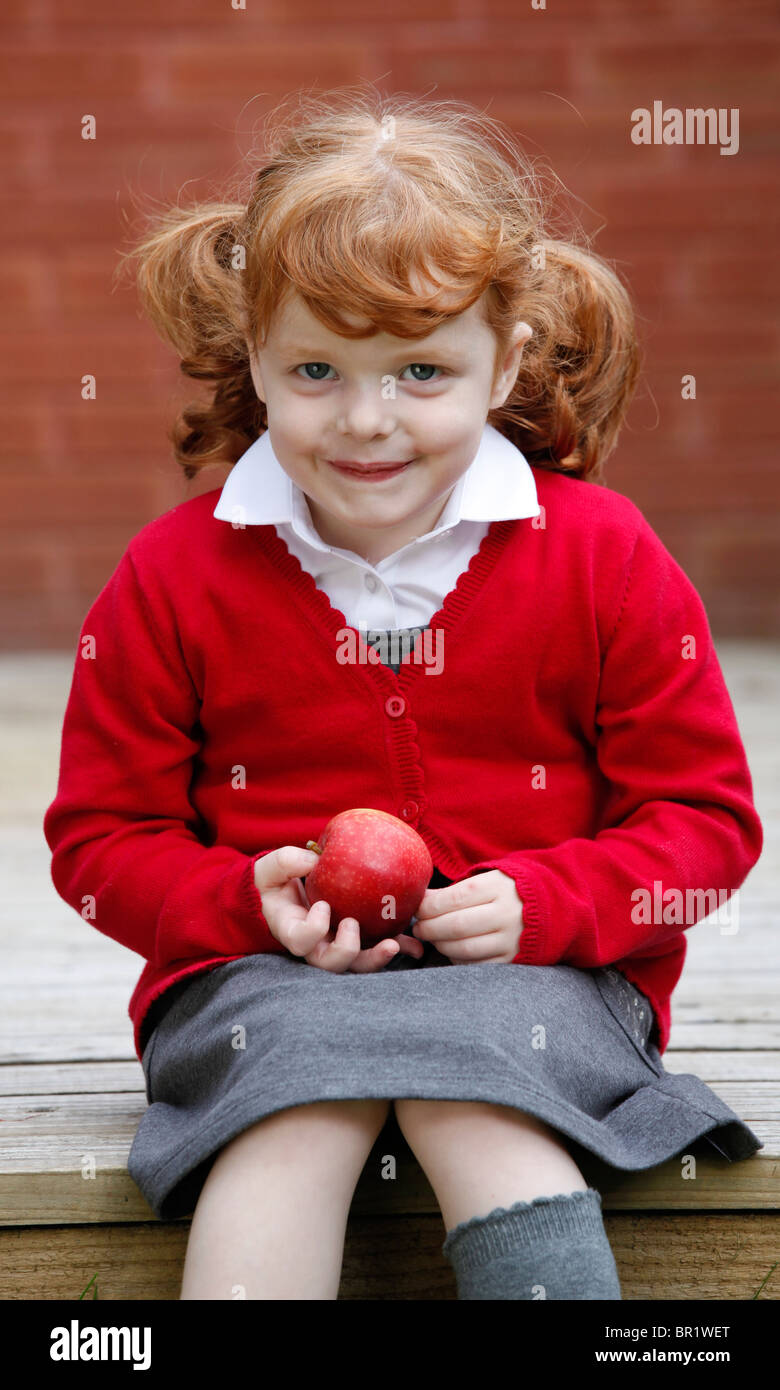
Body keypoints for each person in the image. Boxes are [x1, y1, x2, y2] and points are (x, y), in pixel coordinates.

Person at [43, 87, 764, 1301]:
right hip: (265, 990)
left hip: (540, 982)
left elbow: (707, 825)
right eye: (317, 368)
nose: (367, 421)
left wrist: (545, 900)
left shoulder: (601, 556)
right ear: (254, 356)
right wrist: (238, 901)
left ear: (508, 362)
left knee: (479, 1102)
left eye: (421, 370)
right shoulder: (175, 577)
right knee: (284, 1134)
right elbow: (98, 839)